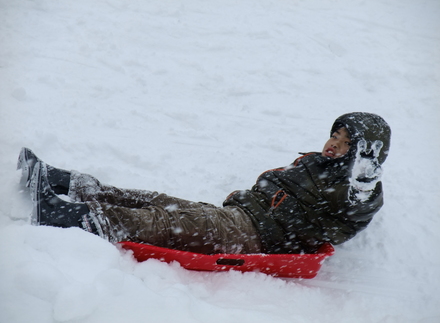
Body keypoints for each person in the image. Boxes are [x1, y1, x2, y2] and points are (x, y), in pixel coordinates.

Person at [17, 112, 391, 255]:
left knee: (165, 224)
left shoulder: (360, 189)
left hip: (259, 236)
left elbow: (350, 215)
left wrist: (362, 177)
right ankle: (65, 181)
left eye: (345, 143)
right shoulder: (316, 163)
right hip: (241, 216)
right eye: (334, 134)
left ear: (364, 155)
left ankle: (65, 213)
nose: (333, 144)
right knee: (157, 200)